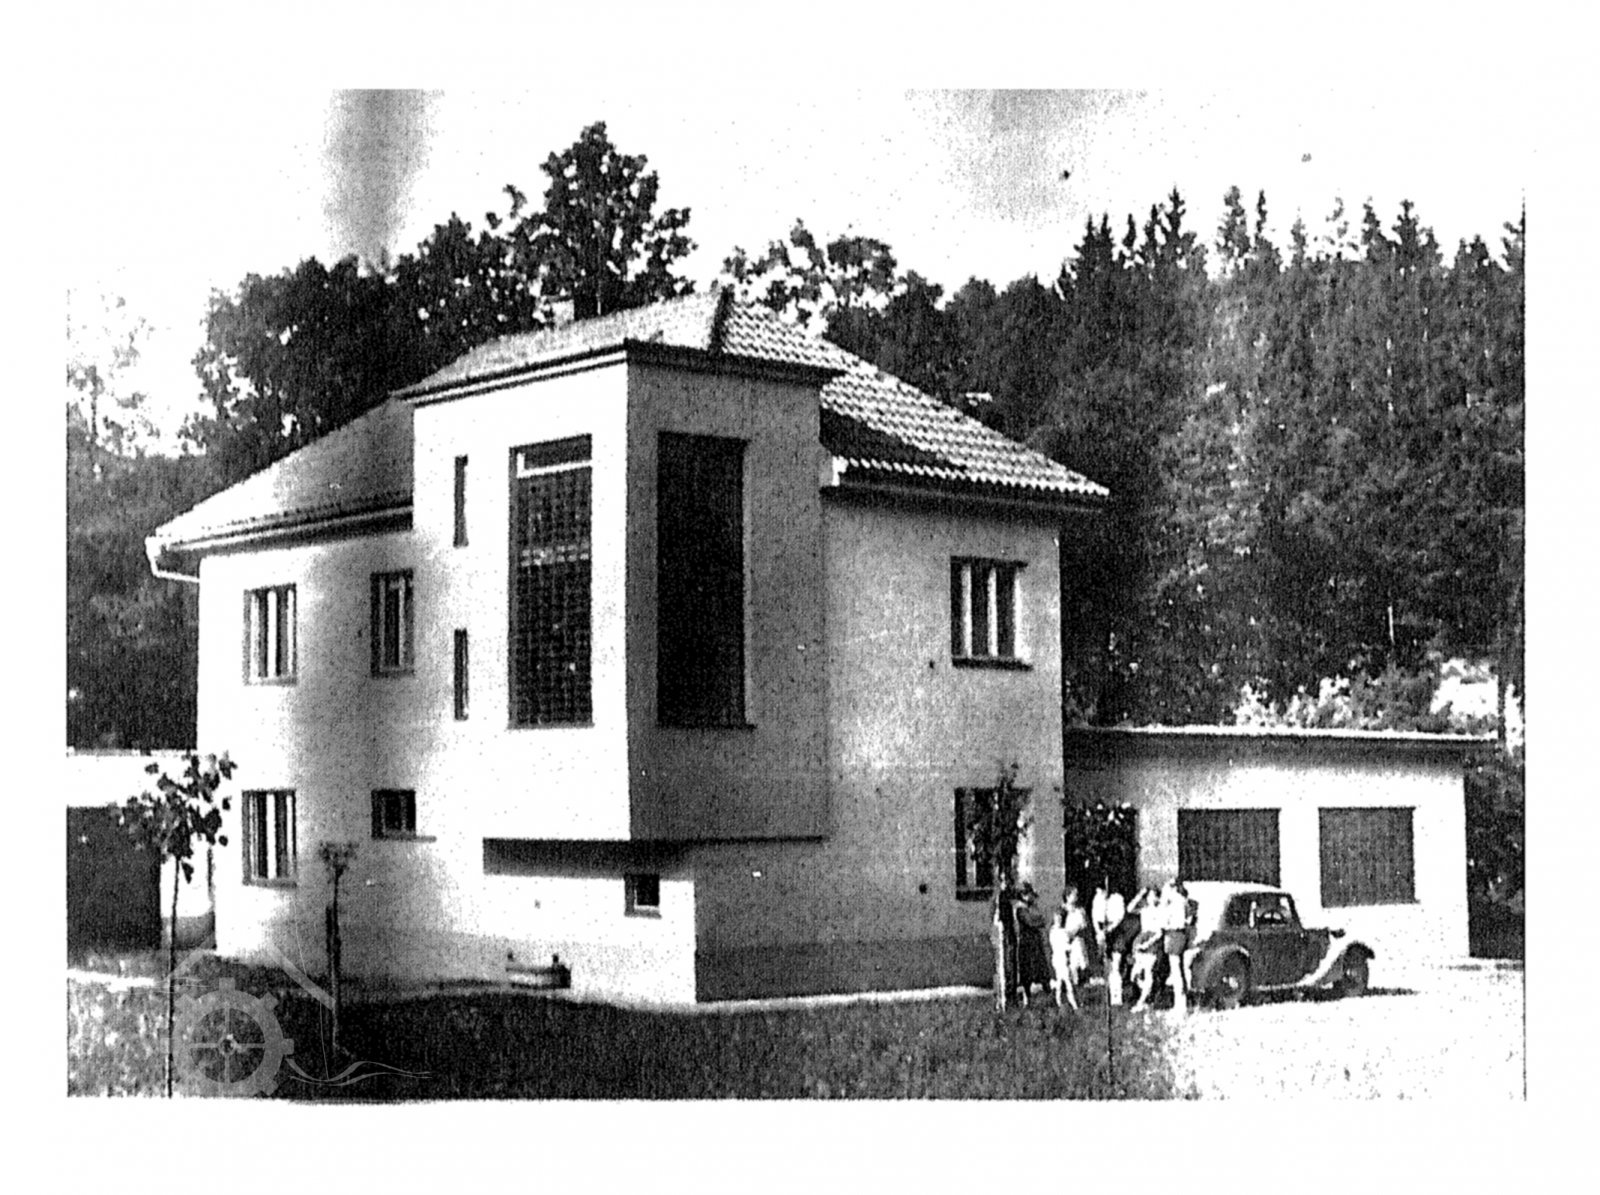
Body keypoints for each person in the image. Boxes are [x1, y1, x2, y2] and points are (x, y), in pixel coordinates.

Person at [1013, 883, 1052, 1007]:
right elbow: (1031, 922)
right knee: (1027, 969)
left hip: (1035, 941)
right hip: (1026, 942)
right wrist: (1039, 921)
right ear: (1024, 895)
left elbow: (1041, 918)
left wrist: (1039, 920)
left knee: (1040, 967)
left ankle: (1047, 993)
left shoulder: (1031, 907)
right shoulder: (1020, 909)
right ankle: (1027, 996)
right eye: (1030, 895)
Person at [1127, 887, 1165, 1011]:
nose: (1150, 898)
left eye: (1153, 896)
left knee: (1148, 972)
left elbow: (1159, 933)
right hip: (1141, 939)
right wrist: (1140, 895)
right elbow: (1129, 909)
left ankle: (1141, 1001)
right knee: (1135, 973)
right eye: (1148, 896)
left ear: (1157, 898)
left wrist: (1147, 944)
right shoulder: (1144, 909)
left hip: (1152, 941)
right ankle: (1145, 994)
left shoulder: (1160, 911)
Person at [1160, 880, 1194, 1014]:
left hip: (1172, 934)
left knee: (1175, 969)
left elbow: (1164, 922)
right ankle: (1182, 1000)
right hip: (1181, 935)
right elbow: (1189, 919)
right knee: (1180, 968)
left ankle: (1179, 1002)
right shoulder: (1183, 901)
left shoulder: (1170, 903)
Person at [1091, 883, 1128, 1005]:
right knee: (1107, 965)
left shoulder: (1117, 898)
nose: (1100, 894)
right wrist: (1099, 932)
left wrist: (1109, 929)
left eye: (1101, 891)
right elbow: (1095, 917)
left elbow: (1119, 918)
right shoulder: (1098, 899)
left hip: (1115, 931)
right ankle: (1109, 994)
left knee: (1116, 965)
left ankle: (1117, 997)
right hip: (1103, 931)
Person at [1048, 904, 1081, 1010]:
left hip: (1060, 958)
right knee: (1066, 981)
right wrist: (1071, 946)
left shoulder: (1057, 931)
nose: (1058, 921)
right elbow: (1064, 946)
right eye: (1057, 919)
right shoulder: (1057, 932)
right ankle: (1072, 1002)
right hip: (1060, 959)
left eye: (1060, 919)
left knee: (1060, 980)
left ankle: (1059, 1000)